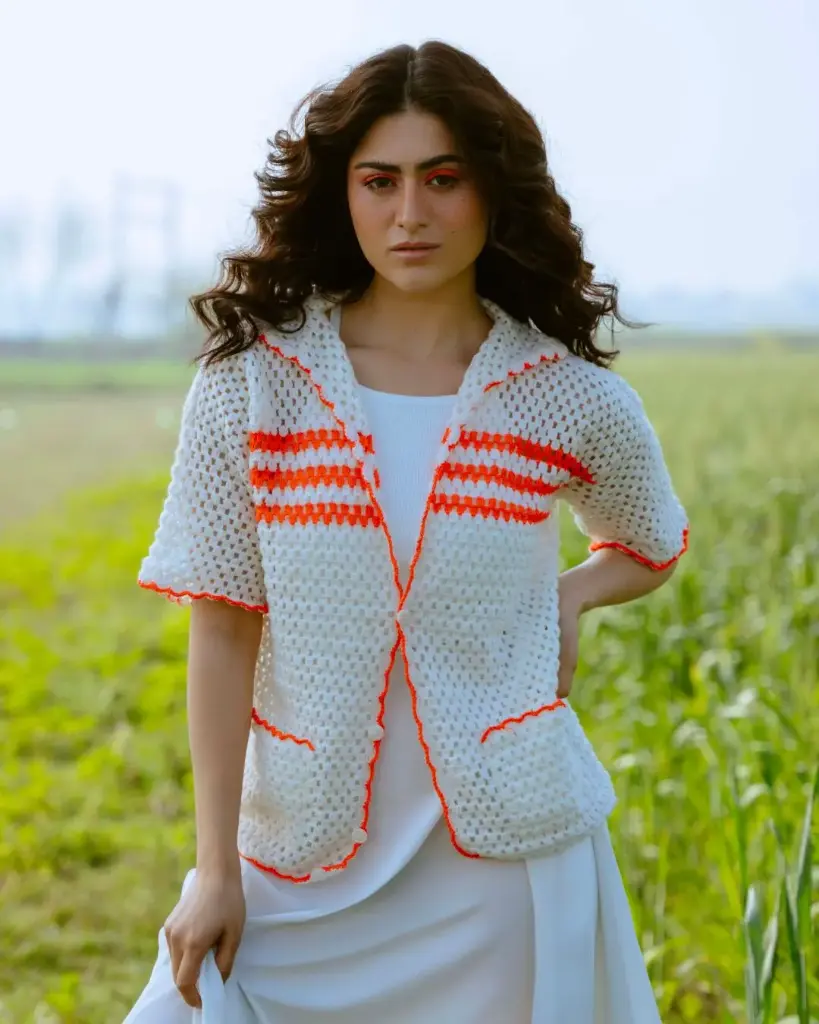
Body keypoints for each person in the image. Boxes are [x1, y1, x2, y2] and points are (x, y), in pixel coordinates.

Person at [124, 38, 688, 1024]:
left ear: (492, 190)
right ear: (341, 192)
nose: (410, 214)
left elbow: (649, 538)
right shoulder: (254, 382)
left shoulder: (562, 395)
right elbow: (220, 625)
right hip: (296, 858)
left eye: (443, 178)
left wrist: (572, 591)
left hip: (505, 864)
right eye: (378, 181)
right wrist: (215, 869)